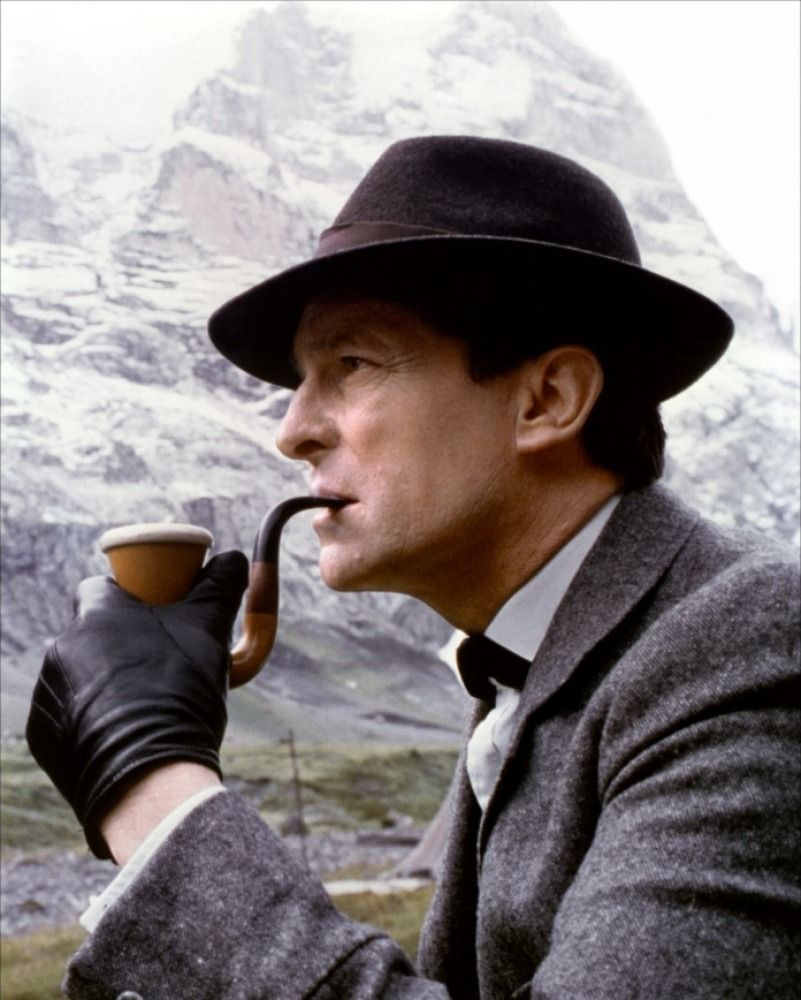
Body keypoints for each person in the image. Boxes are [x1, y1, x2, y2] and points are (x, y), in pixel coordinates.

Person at [27, 136, 799, 999]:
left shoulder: (748, 649)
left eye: (351, 364)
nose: (291, 432)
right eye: (300, 380)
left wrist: (152, 789)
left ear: (546, 400)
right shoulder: (544, 663)